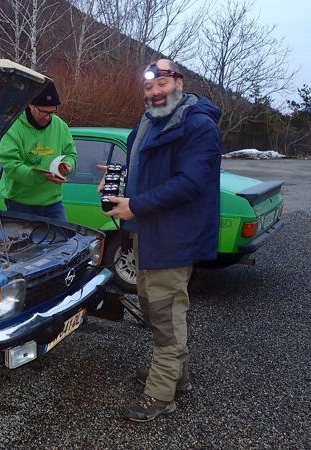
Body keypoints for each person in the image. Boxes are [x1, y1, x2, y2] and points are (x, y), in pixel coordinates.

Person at [102, 59, 222, 422]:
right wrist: (117, 178)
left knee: (166, 314)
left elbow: (190, 183)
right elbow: (147, 172)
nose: (155, 92)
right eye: (149, 87)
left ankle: (160, 395)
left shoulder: (197, 126)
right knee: (154, 307)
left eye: (162, 84)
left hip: (174, 237)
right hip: (147, 234)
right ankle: (176, 377)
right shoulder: (147, 125)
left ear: (179, 83)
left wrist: (136, 206)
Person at [0, 80, 77, 221]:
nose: (48, 117)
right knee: (23, 237)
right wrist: (42, 176)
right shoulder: (13, 127)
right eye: (43, 112)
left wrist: (68, 165)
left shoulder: (60, 126)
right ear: (30, 105)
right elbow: (11, 165)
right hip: (20, 203)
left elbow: (71, 154)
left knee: (63, 235)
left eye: (52, 112)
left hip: (53, 204)